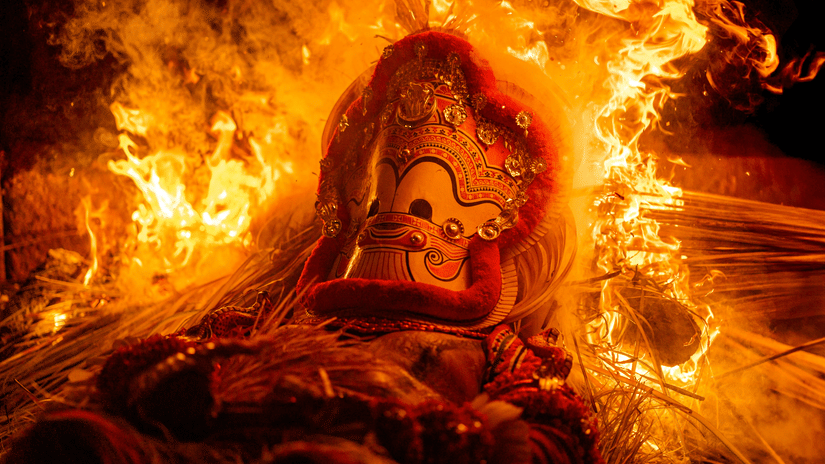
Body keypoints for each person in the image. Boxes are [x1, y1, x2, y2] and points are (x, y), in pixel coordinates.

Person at [3, 30, 602, 464]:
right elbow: (170, 363)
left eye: (424, 207)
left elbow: (554, 428)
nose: (397, 215)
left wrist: (452, 438)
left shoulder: (500, 353)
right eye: (380, 198)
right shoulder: (276, 320)